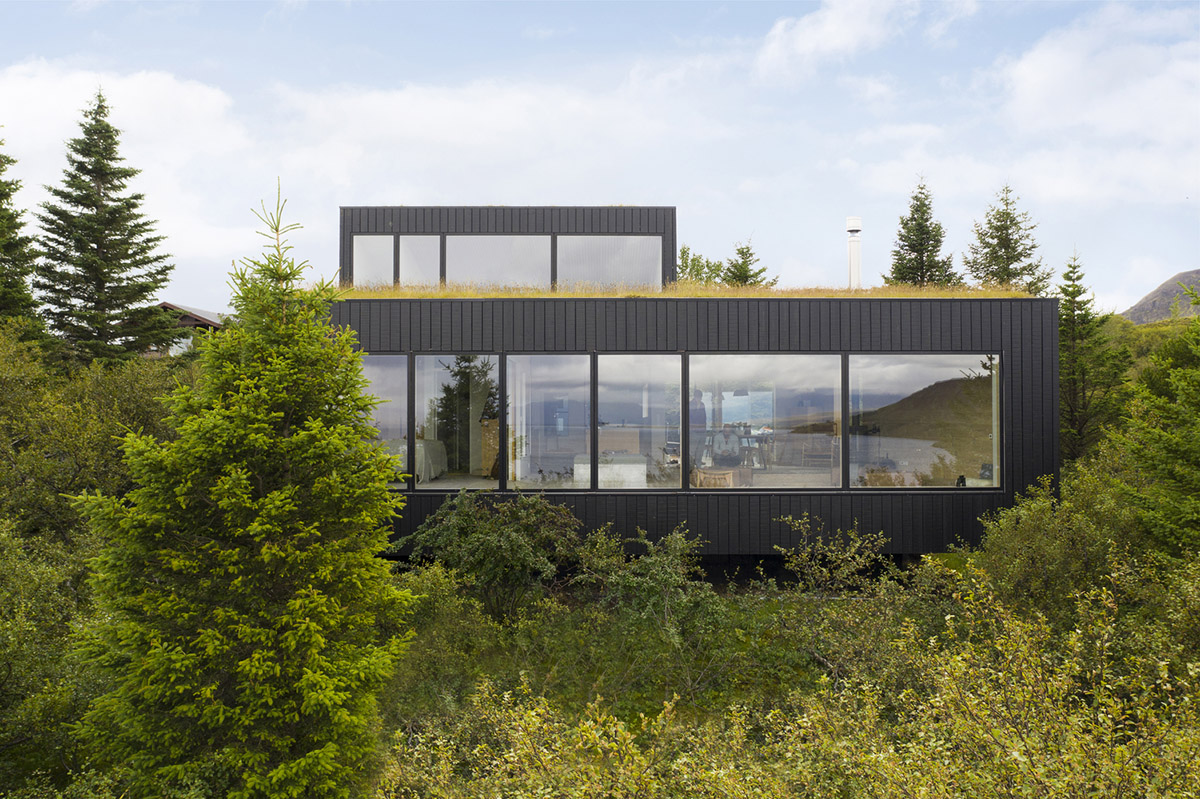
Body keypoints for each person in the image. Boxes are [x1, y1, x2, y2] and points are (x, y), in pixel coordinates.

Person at [689, 389, 707, 466]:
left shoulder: (702, 404)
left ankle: (698, 466)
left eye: (700, 396)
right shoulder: (691, 404)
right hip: (694, 430)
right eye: (698, 396)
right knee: (692, 450)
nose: (699, 398)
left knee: (700, 450)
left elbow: (704, 417)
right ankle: (690, 466)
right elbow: (693, 417)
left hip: (702, 430)